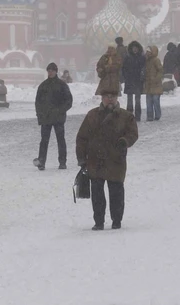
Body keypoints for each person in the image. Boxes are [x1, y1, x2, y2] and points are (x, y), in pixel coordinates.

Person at [76, 90, 139, 231]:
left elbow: (133, 133)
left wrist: (124, 141)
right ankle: (99, 221)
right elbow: (82, 138)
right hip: (95, 160)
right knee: (97, 193)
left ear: (117, 98)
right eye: (106, 97)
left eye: (113, 97)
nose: (110, 100)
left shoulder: (126, 116)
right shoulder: (92, 115)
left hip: (116, 159)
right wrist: (81, 158)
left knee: (116, 192)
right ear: (102, 98)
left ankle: (116, 220)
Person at [34, 63, 73, 171]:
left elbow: (69, 101)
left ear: (56, 71)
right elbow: (38, 102)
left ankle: (62, 162)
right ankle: (41, 162)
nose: (50, 72)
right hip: (46, 118)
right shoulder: (43, 86)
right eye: (49, 70)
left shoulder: (62, 85)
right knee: (44, 141)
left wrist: (60, 111)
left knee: (60, 140)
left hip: (58, 118)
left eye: (52, 70)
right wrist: (40, 115)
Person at [121, 41, 145, 120]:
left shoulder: (141, 57)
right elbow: (123, 69)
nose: (135, 50)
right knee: (129, 100)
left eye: (136, 48)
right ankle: (129, 116)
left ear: (138, 49)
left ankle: (138, 116)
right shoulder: (127, 57)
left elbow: (144, 68)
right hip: (129, 81)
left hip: (138, 81)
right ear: (131, 49)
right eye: (133, 48)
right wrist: (126, 77)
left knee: (137, 100)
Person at [143, 45, 164, 121]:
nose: (147, 53)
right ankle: (150, 116)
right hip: (148, 84)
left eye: (149, 51)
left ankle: (157, 115)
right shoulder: (146, 61)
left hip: (156, 85)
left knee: (155, 100)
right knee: (148, 101)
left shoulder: (156, 60)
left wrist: (156, 79)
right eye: (147, 51)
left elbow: (160, 70)